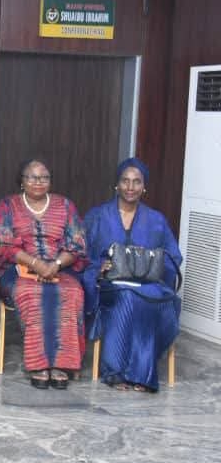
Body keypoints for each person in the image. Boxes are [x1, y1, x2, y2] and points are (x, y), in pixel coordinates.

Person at [84, 158, 182, 393]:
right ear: (116, 184)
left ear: (144, 186)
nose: (130, 187)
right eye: (125, 181)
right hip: (110, 285)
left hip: (147, 284)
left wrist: (153, 264)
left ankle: (141, 373)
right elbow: (79, 253)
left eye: (137, 182)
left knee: (159, 302)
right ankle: (117, 371)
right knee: (128, 297)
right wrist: (98, 267)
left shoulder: (156, 220)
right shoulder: (97, 216)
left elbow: (173, 257)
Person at [0, 159, 87, 390]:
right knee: (32, 293)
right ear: (22, 181)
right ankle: (39, 364)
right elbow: (2, 244)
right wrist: (35, 264)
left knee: (71, 293)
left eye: (44, 177)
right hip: (18, 269)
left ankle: (62, 363)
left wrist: (55, 264)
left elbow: (77, 243)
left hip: (60, 268)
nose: (38, 182)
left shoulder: (65, 205)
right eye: (32, 177)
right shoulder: (8, 205)